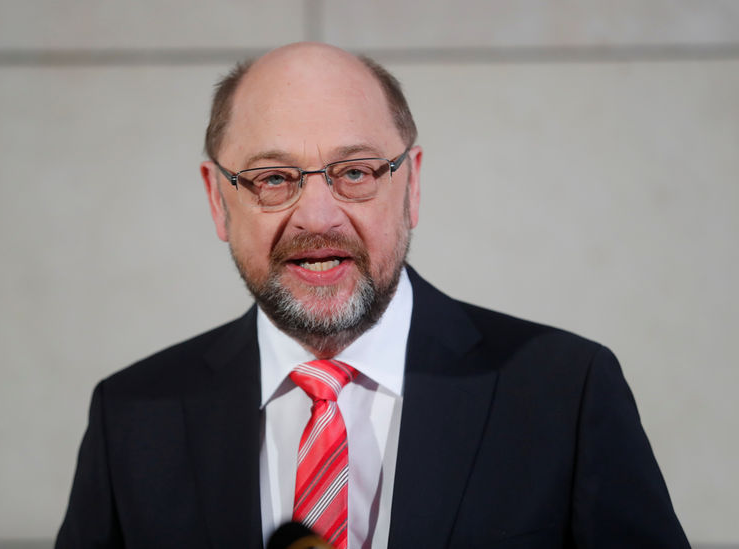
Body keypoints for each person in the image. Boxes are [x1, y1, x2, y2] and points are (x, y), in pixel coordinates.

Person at [55, 42, 690, 549]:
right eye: (273, 178)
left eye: (354, 172)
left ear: (410, 186)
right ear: (218, 201)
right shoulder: (133, 417)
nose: (318, 217)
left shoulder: (565, 392)